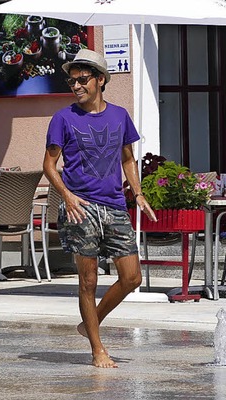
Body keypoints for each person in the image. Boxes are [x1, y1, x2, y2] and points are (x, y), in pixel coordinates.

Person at [42, 49, 157, 368]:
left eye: (82, 79)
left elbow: (128, 158)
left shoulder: (119, 115)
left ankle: (90, 321)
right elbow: (49, 165)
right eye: (72, 80)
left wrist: (138, 192)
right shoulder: (63, 118)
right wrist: (66, 195)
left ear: (100, 80)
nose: (76, 85)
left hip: (116, 207)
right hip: (81, 205)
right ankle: (97, 349)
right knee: (88, 281)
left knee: (132, 278)